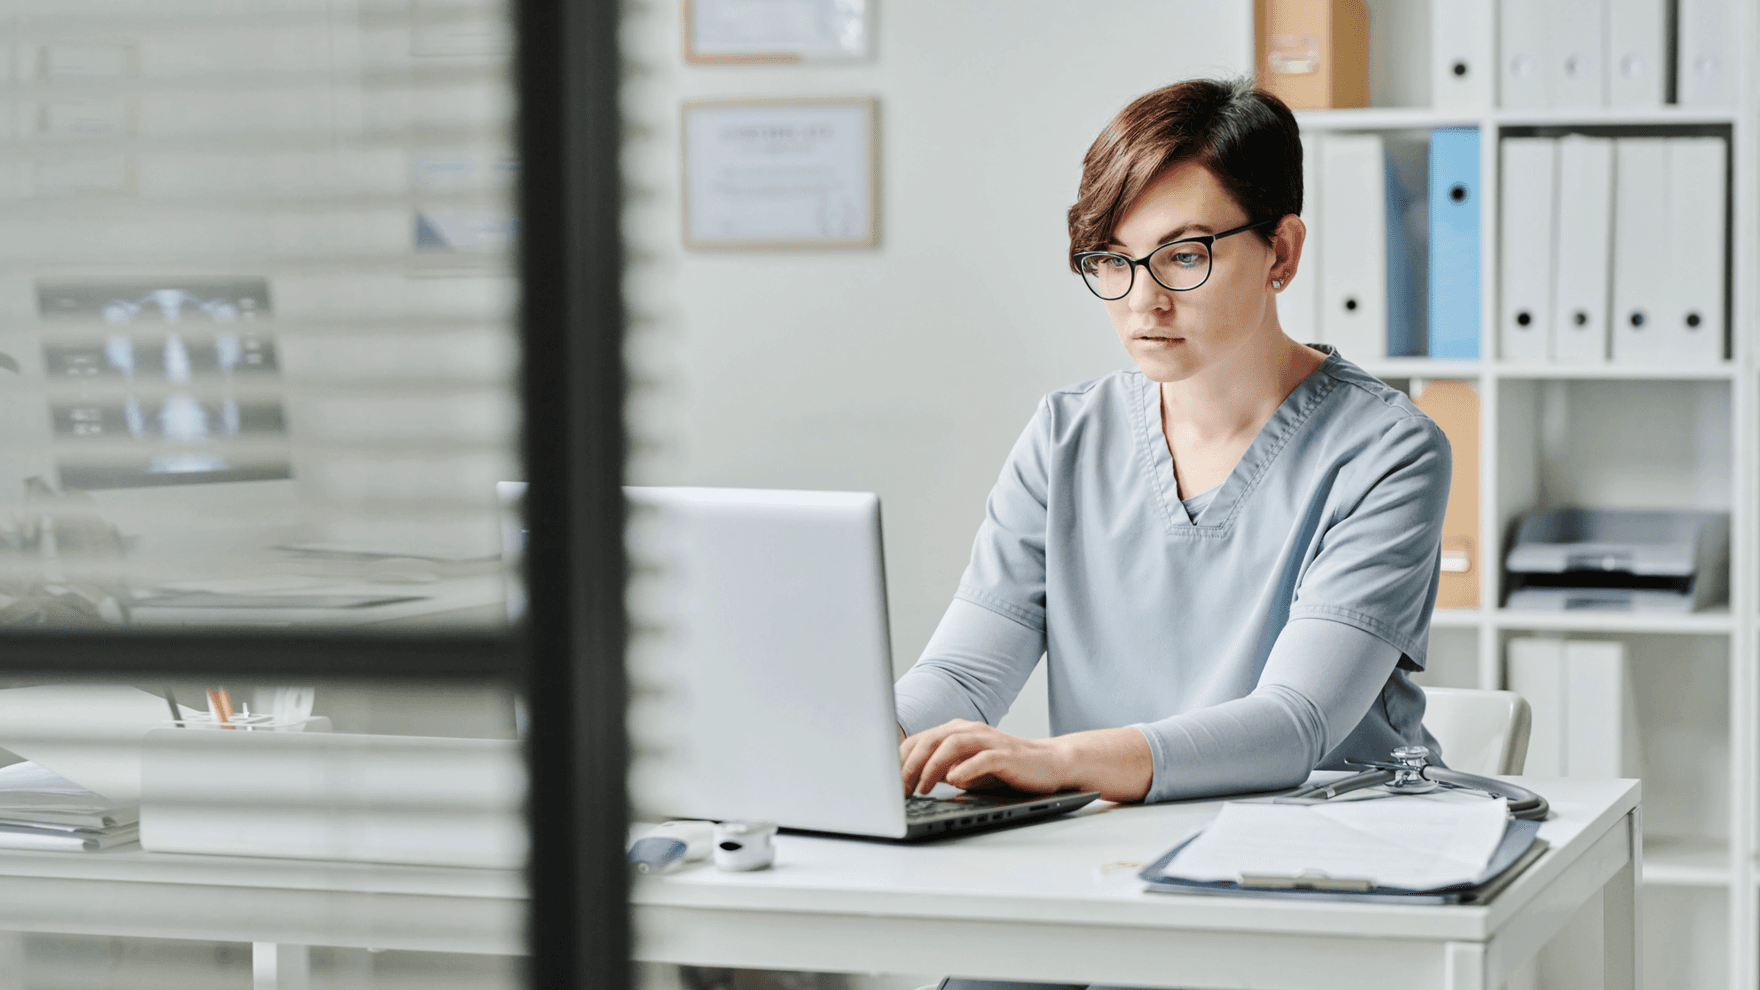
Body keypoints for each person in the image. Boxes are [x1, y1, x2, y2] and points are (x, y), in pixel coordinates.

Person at [894, 77, 1449, 825]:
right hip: (1115, 849)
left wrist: (1058, 762)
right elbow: (960, 676)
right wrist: (867, 744)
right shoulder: (1065, 437)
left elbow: (1295, 724)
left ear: (1279, 251)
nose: (1141, 302)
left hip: (1338, 855)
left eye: (1183, 256)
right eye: (1113, 260)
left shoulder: (1387, 450)